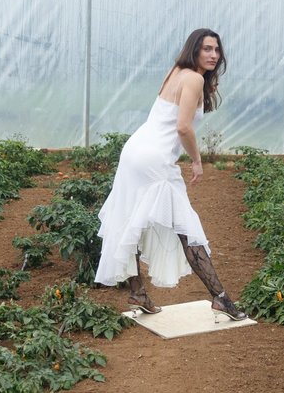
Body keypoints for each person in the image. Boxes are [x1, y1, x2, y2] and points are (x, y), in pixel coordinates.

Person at [94, 28, 246, 321]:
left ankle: (138, 292)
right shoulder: (194, 78)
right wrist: (197, 161)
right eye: (207, 49)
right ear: (195, 50)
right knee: (187, 228)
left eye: (216, 50)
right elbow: (183, 127)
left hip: (135, 151)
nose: (213, 55)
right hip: (156, 159)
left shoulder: (177, 71)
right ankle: (221, 298)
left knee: (130, 220)